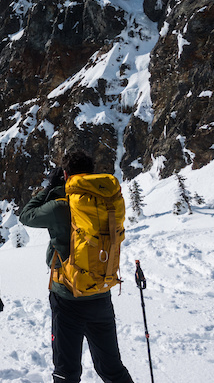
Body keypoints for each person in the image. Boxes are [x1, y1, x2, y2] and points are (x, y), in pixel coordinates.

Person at [19, 151, 133, 383]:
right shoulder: (107, 201)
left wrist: (51, 188)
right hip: (100, 293)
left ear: (66, 174)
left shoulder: (60, 205)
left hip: (67, 298)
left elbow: (26, 215)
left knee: (66, 372)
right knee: (112, 368)